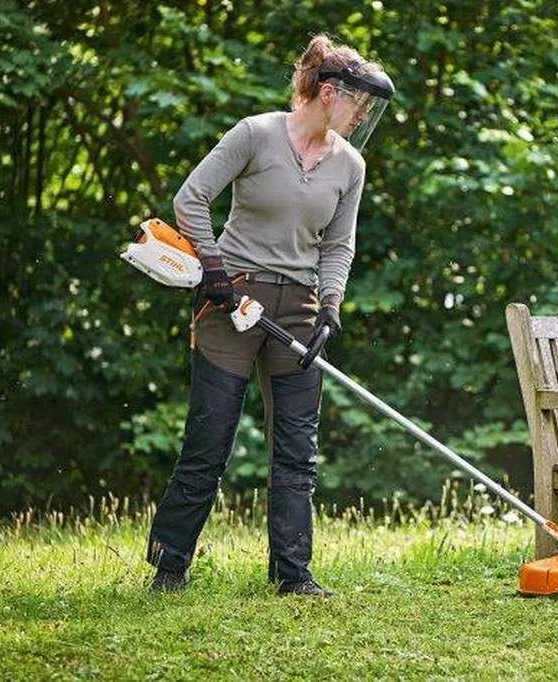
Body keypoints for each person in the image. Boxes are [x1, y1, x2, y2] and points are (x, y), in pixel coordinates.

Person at [145, 35, 394, 597]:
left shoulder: (349, 165)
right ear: (328, 93)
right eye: (360, 103)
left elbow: (339, 246)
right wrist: (213, 267)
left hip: (299, 309)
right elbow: (191, 200)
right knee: (210, 440)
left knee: (297, 452)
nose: (363, 117)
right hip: (230, 299)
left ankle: (293, 575)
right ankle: (170, 566)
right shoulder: (254, 134)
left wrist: (331, 305)